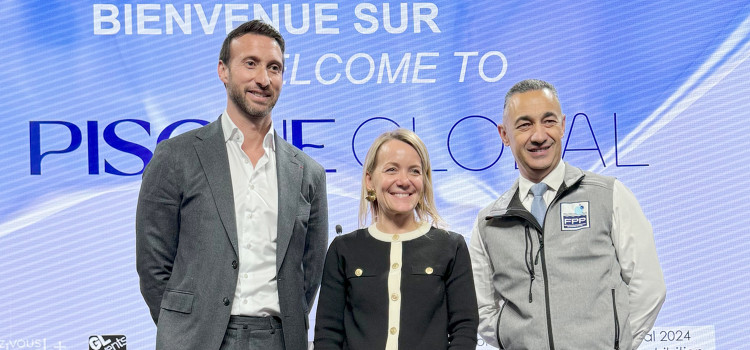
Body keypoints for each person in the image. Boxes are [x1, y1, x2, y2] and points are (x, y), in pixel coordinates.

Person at [136, 20, 328, 350]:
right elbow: (153, 263)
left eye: (274, 68)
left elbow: (309, 274)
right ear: (223, 71)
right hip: (196, 339)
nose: (263, 79)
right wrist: (185, 325)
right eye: (250, 64)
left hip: (278, 339)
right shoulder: (176, 156)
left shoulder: (308, 172)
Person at [469, 79, 666, 350]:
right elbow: (481, 307)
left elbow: (648, 286)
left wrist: (618, 344)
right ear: (504, 134)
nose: (539, 136)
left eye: (548, 121)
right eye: (525, 125)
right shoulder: (489, 222)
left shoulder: (609, 195)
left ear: (562, 125)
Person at [314, 129, 478, 350]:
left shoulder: (451, 247)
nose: (404, 181)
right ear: (370, 180)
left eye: (414, 171)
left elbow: (464, 330)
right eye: (391, 170)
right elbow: (328, 334)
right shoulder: (343, 249)